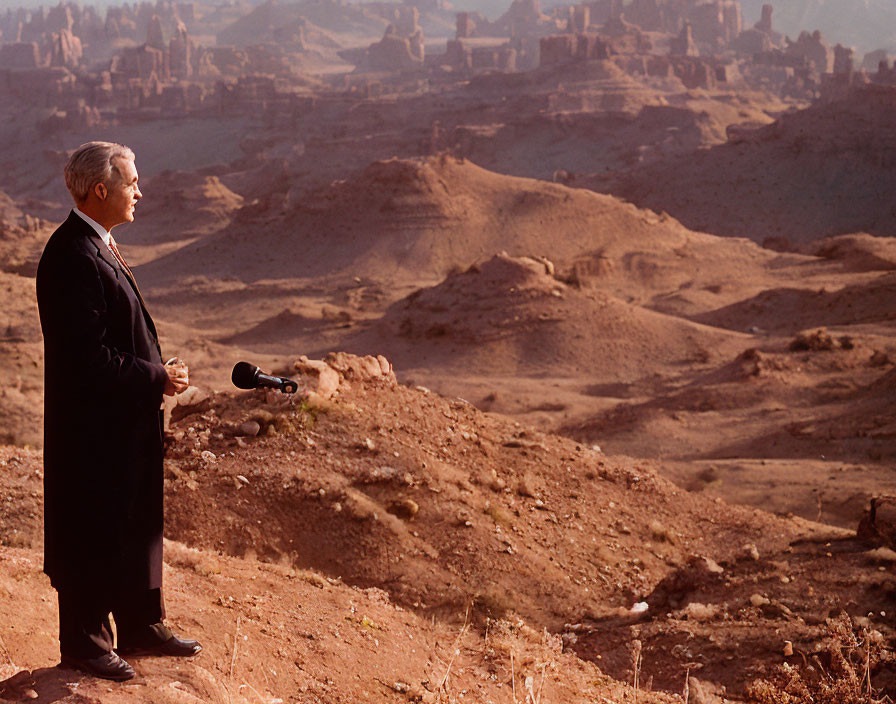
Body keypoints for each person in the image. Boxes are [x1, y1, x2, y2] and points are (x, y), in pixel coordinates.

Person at [36, 141, 201, 682]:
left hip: (121, 424)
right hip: (91, 433)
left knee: (132, 521)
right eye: (132, 183)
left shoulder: (97, 244)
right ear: (100, 190)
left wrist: (155, 371)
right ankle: (85, 643)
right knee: (92, 526)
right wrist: (158, 376)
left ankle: (139, 623)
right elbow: (86, 358)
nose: (140, 191)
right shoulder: (72, 255)